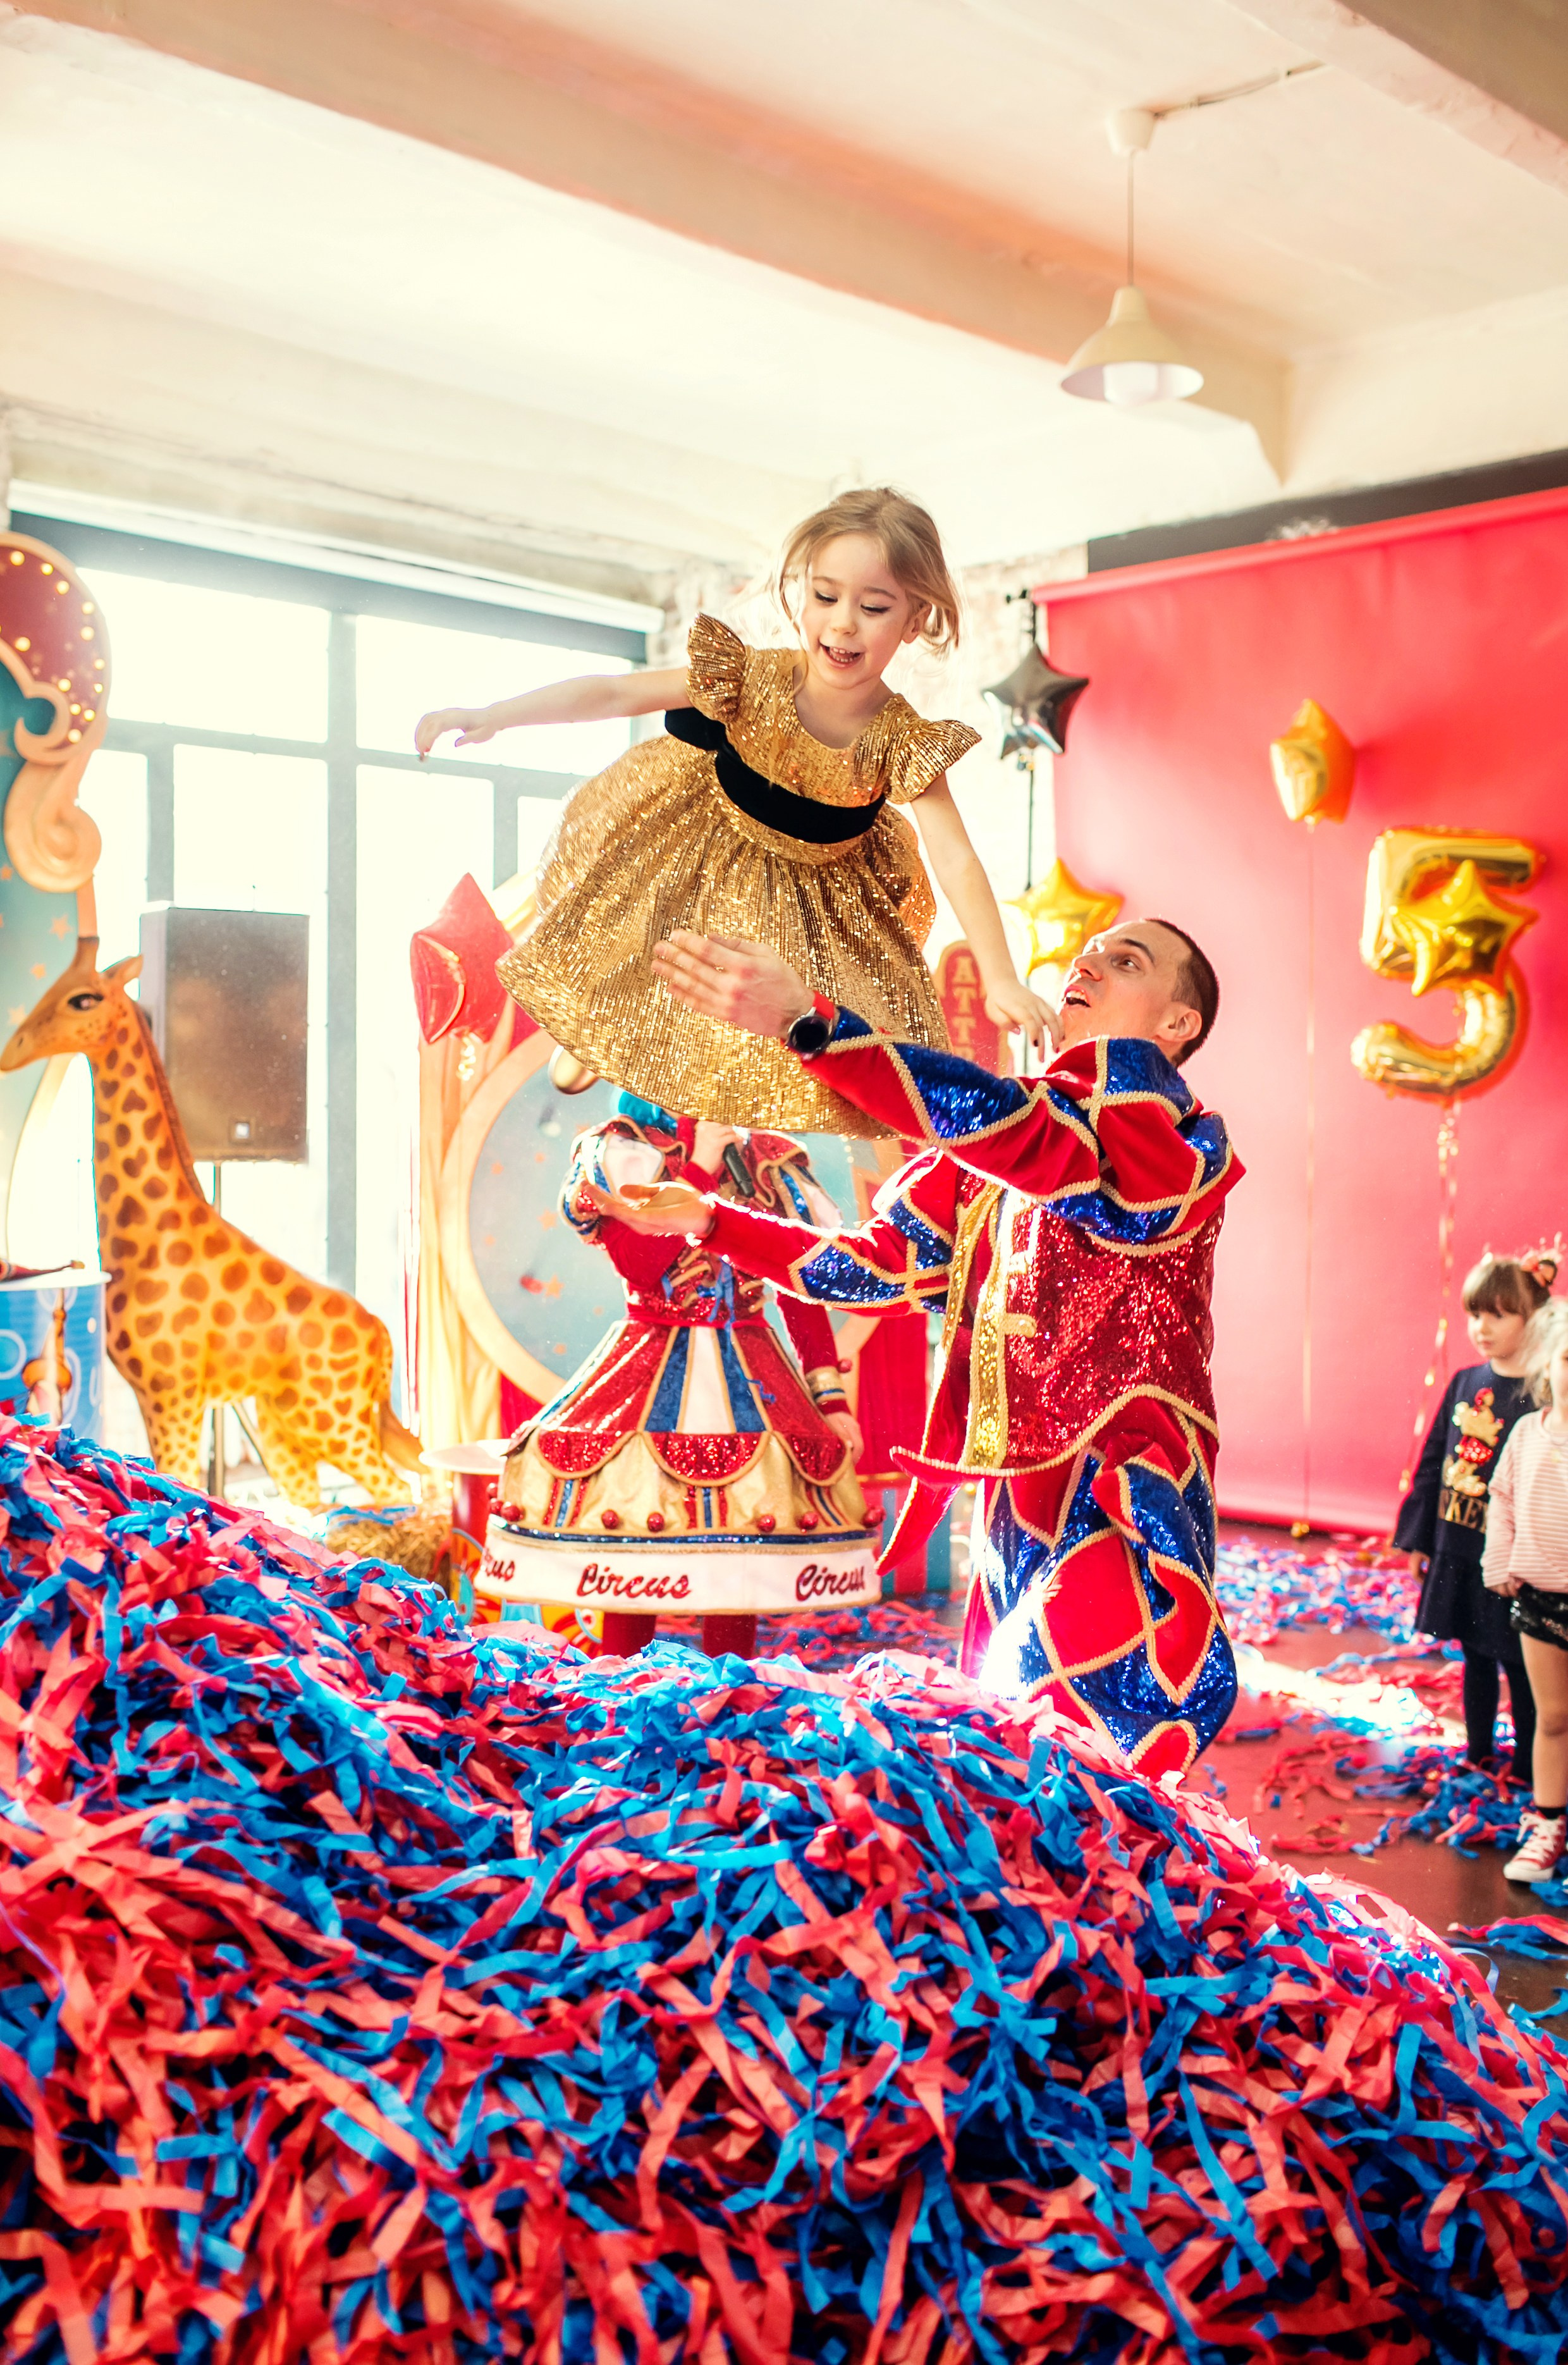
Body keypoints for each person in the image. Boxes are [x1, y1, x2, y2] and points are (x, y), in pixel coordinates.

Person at [588, 919, 1243, 1779]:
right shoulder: (1004, 1145)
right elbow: (868, 1268)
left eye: (1128, 962)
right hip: (1015, 1496)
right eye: (1088, 950)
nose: (1089, 962)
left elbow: (1029, 1138)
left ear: (1177, 1025)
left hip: (1122, 1481)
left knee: (1080, 1738)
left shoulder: (1172, 1137)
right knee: (1015, 1745)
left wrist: (811, 1026)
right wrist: (713, 1222)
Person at [414, 488, 1054, 1138]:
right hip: (702, 848)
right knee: (647, 947)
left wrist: (998, 976)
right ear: (800, 592)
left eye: (873, 607)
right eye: (825, 596)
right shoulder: (752, 678)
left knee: (785, 1022)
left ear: (914, 620)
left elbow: (954, 855)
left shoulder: (899, 738)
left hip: (816, 894)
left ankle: (728, 1130)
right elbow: (613, 691)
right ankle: (599, 1030)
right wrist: (493, 715)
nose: (841, 624)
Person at [479, 1094, 876, 1659]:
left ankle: (729, 1698)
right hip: (647, 1363)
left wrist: (829, 1396)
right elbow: (639, 1262)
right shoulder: (625, 1149)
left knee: (739, 1559)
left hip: (753, 1368)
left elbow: (798, 1279)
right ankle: (616, 1688)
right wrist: (700, 1170)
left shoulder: (768, 1160)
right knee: (626, 1543)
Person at [1395, 1249, 1556, 1781]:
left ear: (1531, 1316)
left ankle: (1535, 1767)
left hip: (1510, 1560)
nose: (1481, 1327)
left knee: (1522, 1663)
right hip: (1460, 1546)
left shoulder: (1543, 1393)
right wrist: (1422, 1540)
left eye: (1498, 1314)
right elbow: (1435, 1457)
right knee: (1476, 1657)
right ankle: (1479, 1754)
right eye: (1474, 1314)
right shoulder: (1466, 1381)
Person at [1483, 1296, 1568, 1884]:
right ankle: (1548, 1822)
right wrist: (1499, 1559)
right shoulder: (1525, 1434)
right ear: (1548, 1364)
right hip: (1539, 1599)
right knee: (1553, 1717)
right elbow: (1503, 1499)